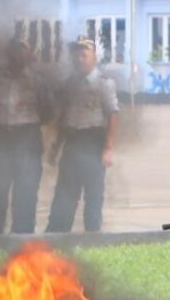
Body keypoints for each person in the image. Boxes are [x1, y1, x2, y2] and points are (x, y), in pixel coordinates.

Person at [0, 37, 54, 234]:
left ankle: (22, 244)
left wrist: (26, 124)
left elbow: (47, 111)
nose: (17, 55)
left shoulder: (38, 80)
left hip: (27, 141)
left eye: (22, 51)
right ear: (8, 54)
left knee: (26, 194)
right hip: (2, 139)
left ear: (28, 55)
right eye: (13, 51)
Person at [46, 37, 119, 233]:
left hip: (93, 144)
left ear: (95, 57)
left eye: (84, 54)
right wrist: (56, 146)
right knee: (64, 197)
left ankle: (92, 241)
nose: (79, 58)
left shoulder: (104, 84)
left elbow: (112, 113)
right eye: (76, 54)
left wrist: (108, 148)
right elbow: (65, 118)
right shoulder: (70, 84)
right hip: (72, 145)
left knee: (93, 199)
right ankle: (57, 239)